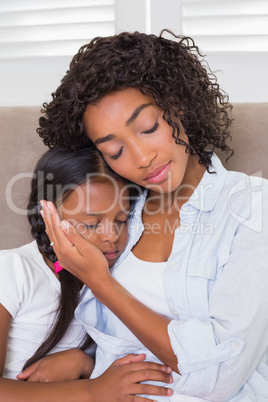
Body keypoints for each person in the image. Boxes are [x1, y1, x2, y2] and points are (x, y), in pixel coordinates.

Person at [37, 30, 268, 401]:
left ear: (178, 105)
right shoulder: (119, 210)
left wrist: (101, 283)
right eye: (115, 151)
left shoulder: (253, 207)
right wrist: (86, 359)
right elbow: (118, 336)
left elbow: (219, 375)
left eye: (148, 128)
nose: (142, 158)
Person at [0, 146, 173, 401]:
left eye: (121, 220)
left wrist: (84, 361)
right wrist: (93, 390)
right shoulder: (14, 270)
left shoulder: (117, 279)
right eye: (91, 223)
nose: (111, 236)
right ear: (48, 216)